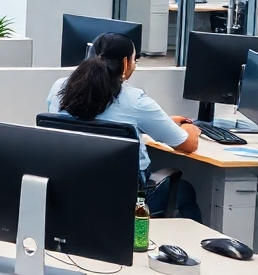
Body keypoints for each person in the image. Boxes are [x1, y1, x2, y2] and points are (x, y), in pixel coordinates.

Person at [47, 33, 202, 220]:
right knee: (185, 190)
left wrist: (162, 121)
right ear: (125, 63)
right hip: (126, 198)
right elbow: (188, 144)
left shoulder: (59, 88)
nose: (135, 66)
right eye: (135, 60)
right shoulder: (135, 100)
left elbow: (96, 122)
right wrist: (190, 128)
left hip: (72, 189)